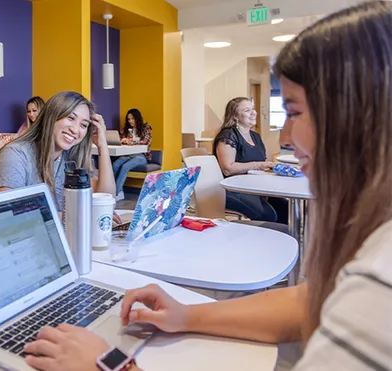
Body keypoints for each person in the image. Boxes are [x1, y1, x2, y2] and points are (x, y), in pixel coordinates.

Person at [21, 2, 392, 370]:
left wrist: (104, 365)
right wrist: (187, 315)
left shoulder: (379, 280)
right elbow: (310, 302)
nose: (289, 137)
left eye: (294, 111)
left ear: (361, 113)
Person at [0, 91, 115, 211]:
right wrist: (74, 216)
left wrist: (102, 145)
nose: (75, 130)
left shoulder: (72, 157)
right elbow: (10, 209)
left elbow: (106, 200)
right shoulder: (16, 154)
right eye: (70, 118)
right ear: (51, 116)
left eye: (84, 125)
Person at [213, 97, 288, 224]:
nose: (253, 112)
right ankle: (261, 242)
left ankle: (281, 241)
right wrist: (259, 165)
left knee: (285, 208)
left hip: (253, 186)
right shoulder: (228, 135)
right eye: (247, 110)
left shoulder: (255, 136)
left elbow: (263, 163)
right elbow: (228, 169)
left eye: (253, 109)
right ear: (235, 116)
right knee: (268, 215)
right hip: (233, 190)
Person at [112, 109, 152, 200]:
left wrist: (130, 141)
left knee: (125, 167)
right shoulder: (127, 129)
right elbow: (120, 138)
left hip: (141, 156)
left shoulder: (146, 128)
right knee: (115, 165)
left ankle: (116, 194)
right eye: (129, 119)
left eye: (132, 119)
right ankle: (118, 190)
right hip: (128, 154)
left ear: (137, 118)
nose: (130, 121)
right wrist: (122, 140)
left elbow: (146, 142)